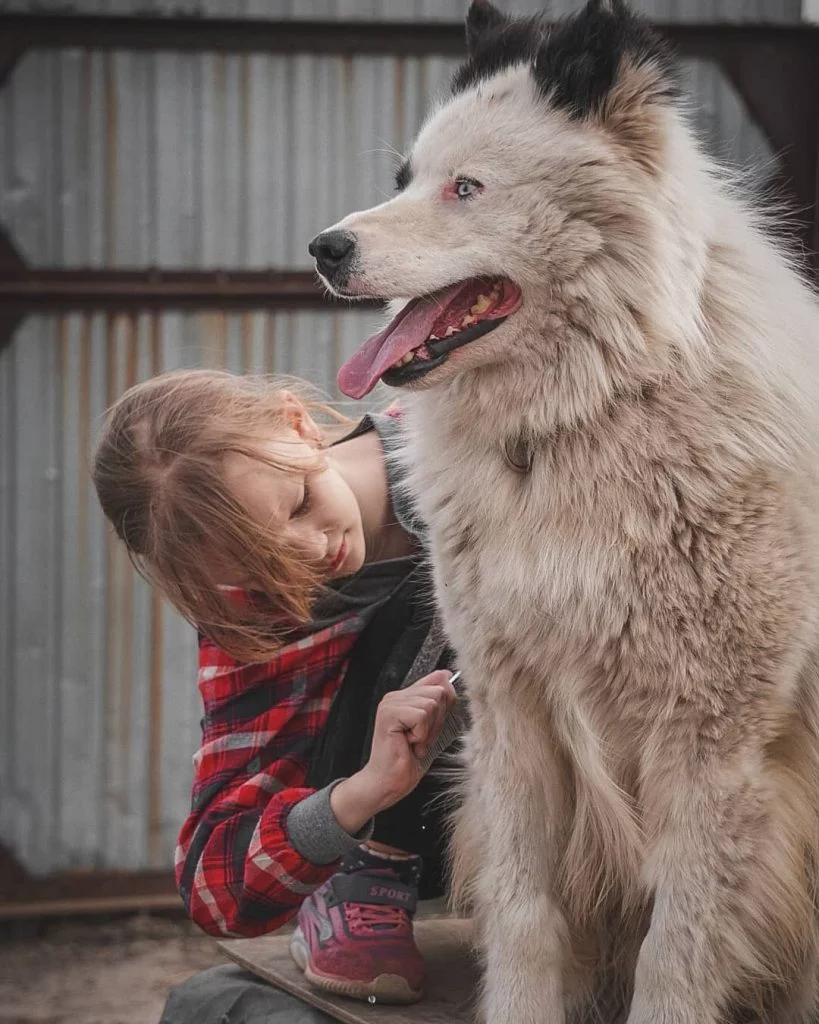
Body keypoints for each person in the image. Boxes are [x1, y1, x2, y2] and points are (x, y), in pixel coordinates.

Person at [91, 370, 463, 1023]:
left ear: (297, 422)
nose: (314, 549)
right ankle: (368, 874)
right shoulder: (251, 619)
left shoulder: (468, 433)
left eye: (297, 503)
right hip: (419, 817)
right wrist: (361, 793)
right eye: (260, 560)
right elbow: (216, 883)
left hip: (578, 775)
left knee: (471, 563)